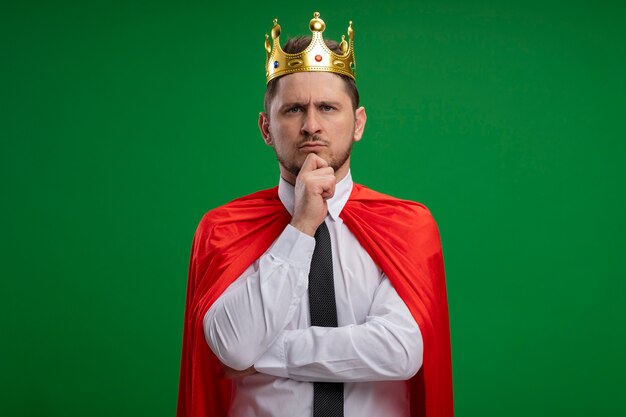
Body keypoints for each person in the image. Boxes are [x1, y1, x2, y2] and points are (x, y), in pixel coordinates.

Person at [177, 12, 453, 417]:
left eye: (327, 107)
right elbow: (233, 345)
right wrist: (302, 225)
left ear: (357, 123)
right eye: (292, 110)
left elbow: (401, 350)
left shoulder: (405, 227)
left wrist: (271, 352)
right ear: (265, 128)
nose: (311, 125)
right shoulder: (224, 230)